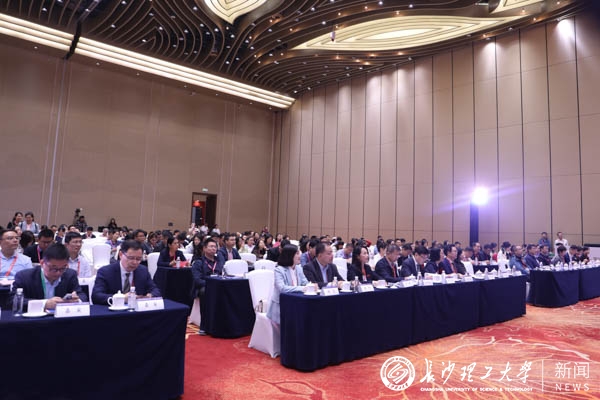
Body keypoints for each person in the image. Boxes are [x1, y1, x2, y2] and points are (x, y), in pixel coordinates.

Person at [10, 244, 87, 311]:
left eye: (62, 268)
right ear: (42, 263)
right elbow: (12, 301)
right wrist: (44, 304)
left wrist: (76, 300)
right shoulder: (25, 276)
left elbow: (82, 295)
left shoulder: (70, 274)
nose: (58, 272)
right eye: (54, 268)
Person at [92, 240, 160, 305]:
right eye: (131, 258)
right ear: (121, 254)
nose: (135, 262)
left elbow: (155, 290)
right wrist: (121, 298)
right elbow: (96, 296)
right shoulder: (105, 272)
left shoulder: (143, 271)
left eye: (138, 259)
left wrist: (150, 296)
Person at [267, 244, 311, 325]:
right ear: (289, 255)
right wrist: (302, 288)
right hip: (281, 306)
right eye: (297, 253)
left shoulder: (299, 268)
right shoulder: (279, 270)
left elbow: (305, 282)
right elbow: (282, 288)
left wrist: (311, 286)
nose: (300, 256)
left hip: (296, 303)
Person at [191, 238, 223, 335]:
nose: (213, 248)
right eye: (211, 246)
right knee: (205, 291)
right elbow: (197, 280)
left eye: (215, 247)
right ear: (204, 248)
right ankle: (204, 326)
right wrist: (211, 284)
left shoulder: (219, 261)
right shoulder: (198, 262)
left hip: (218, 285)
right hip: (204, 287)